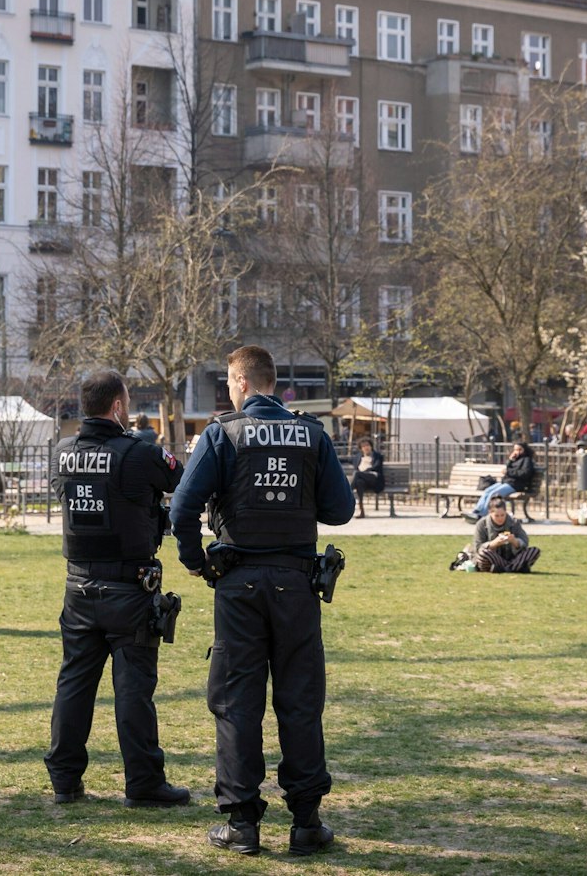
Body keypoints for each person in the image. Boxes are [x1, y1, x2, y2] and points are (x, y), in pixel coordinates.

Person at [172, 345, 353, 857]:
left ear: (241, 382)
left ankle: (242, 823)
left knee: (236, 704)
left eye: (230, 385)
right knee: (300, 701)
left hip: (239, 586)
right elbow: (341, 510)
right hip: (297, 586)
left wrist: (195, 561)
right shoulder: (311, 435)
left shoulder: (222, 434)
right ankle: (306, 822)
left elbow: (182, 509)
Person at [45, 369, 190, 808]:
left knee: (74, 684)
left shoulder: (63, 453)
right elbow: (179, 478)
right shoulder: (138, 452)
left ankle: (65, 781)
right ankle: (143, 784)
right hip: (129, 588)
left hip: (78, 587)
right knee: (133, 691)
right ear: (117, 407)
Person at [469, 441, 538, 521]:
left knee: (493, 494)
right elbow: (509, 468)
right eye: (515, 449)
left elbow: (524, 474)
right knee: (487, 491)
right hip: (506, 482)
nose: (517, 452)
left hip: (515, 485)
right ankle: (476, 510)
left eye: (520, 449)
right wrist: (510, 460)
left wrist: (508, 472)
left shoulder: (527, 460)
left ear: (524, 450)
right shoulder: (515, 459)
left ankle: (482, 515)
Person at [468, 498, 539, 573]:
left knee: (534, 551)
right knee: (483, 554)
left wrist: (515, 541)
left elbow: (525, 543)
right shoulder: (482, 524)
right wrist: (494, 543)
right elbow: (478, 547)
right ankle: (516, 567)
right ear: (490, 513)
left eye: (502, 515)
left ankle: (506, 568)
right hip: (493, 557)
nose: (500, 518)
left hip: (511, 557)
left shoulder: (514, 522)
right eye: (497, 516)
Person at [350, 436, 391, 515]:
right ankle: (362, 511)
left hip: (374, 479)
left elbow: (377, 466)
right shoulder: (358, 457)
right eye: (363, 446)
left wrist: (365, 471)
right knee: (359, 483)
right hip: (363, 481)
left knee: (357, 473)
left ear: (371, 446)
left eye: (367, 445)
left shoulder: (377, 456)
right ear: (361, 448)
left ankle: (348, 491)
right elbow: (347, 460)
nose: (366, 447)